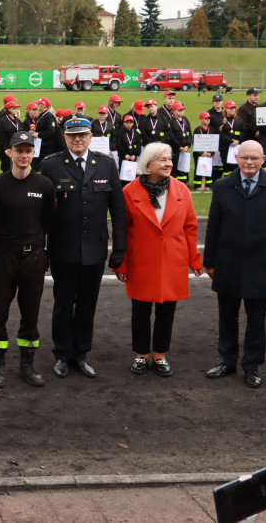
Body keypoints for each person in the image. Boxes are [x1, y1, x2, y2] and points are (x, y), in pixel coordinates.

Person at [39, 117, 126, 379]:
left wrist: (120, 247)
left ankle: (81, 353)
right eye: (72, 136)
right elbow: (41, 212)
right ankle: (62, 354)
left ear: (91, 136)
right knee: (63, 304)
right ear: (65, 138)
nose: (77, 140)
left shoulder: (107, 164)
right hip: (63, 249)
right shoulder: (51, 165)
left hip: (95, 250)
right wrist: (41, 248)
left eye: (83, 135)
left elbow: (118, 209)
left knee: (88, 304)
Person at [203, 140, 266, 388]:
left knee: (256, 320)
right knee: (226, 317)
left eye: (254, 158)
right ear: (237, 158)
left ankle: (251, 365)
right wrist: (209, 261)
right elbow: (214, 227)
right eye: (244, 158)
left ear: (263, 159)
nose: (249, 162)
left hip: (261, 264)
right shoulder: (222, 185)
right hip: (227, 262)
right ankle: (227, 361)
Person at [112, 142, 202, 377]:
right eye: (163, 159)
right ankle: (141, 354)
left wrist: (195, 260)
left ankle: (160, 354)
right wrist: (121, 263)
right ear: (148, 163)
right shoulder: (129, 191)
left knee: (167, 311)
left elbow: (190, 228)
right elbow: (121, 231)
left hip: (173, 261)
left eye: (170, 159)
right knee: (140, 310)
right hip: (142, 262)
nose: (169, 163)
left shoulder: (181, 189)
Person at [0, 131, 55, 388]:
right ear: (9, 153)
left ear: (33, 153)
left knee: (31, 312)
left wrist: (35, 244)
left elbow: (49, 220)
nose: (23, 155)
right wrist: (7, 240)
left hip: (34, 256)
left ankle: (27, 363)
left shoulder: (44, 185)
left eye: (28, 150)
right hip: (4, 254)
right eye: (19, 150)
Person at [166, 101, 192, 186]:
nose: (181, 111)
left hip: (185, 149)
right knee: (176, 166)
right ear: (173, 111)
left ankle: (184, 183)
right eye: (179, 110)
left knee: (184, 167)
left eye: (182, 110)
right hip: (176, 149)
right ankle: (175, 183)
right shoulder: (171, 122)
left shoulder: (186, 120)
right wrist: (179, 146)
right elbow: (172, 136)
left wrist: (188, 145)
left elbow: (189, 133)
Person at [218, 100, 244, 177]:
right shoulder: (221, 120)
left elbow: (244, 132)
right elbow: (220, 133)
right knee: (227, 167)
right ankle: (227, 183)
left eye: (233, 108)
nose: (232, 109)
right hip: (225, 148)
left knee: (236, 166)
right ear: (225, 109)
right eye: (230, 108)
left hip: (237, 147)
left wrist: (238, 141)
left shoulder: (239, 120)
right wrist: (229, 141)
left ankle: (236, 182)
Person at [0, 100, 22, 173]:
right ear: (9, 109)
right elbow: (1, 137)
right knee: (7, 168)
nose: (16, 110)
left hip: (17, 147)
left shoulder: (17, 120)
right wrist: (6, 148)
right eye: (14, 108)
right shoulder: (3, 121)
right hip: (8, 149)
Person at [193, 111, 218, 189]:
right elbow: (195, 142)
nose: (208, 120)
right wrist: (201, 153)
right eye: (206, 119)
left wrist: (210, 153)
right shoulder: (197, 130)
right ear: (201, 119)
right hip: (199, 153)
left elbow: (214, 143)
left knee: (208, 167)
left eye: (209, 119)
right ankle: (197, 184)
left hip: (209, 154)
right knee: (199, 167)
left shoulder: (212, 130)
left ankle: (207, 184)